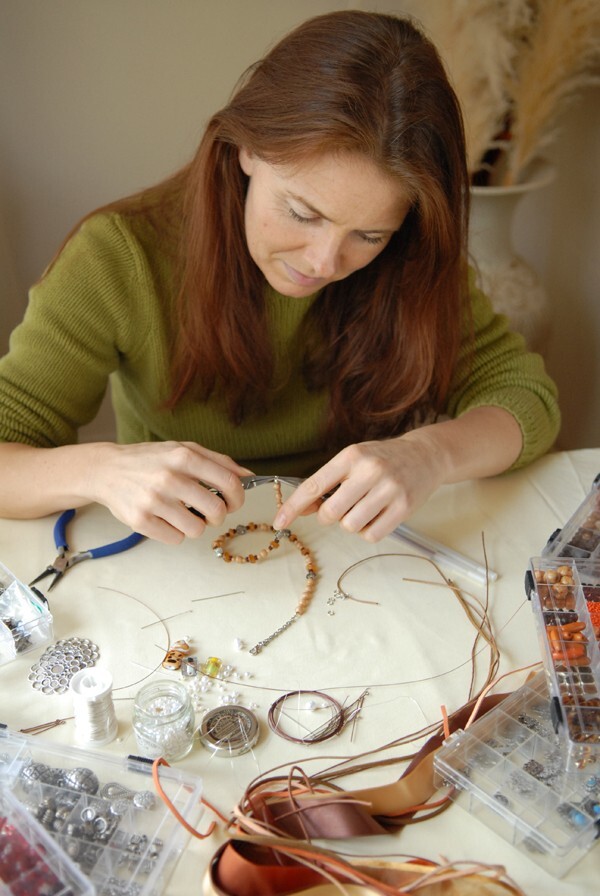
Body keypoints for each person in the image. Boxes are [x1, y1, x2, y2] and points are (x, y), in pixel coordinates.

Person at [0, 10, 559, 546]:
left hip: (353, 551)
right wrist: (101, 469)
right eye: (302, 212)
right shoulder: (117, 258)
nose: (323, 262)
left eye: (369, 235)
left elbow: (526, 399)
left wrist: (431, 454)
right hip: (177, 551)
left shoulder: (410, 257)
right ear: (246, 147)